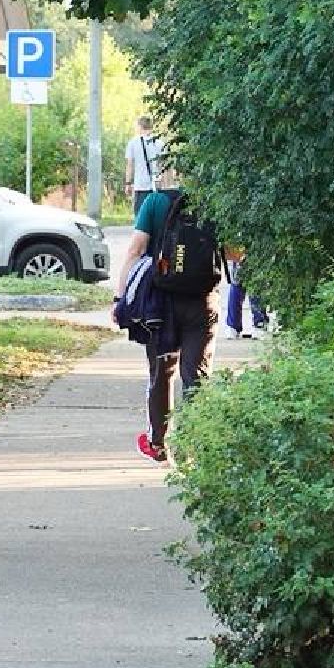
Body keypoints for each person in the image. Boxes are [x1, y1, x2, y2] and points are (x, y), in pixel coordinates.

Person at [110, 161, 222, 463]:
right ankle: (195, 446)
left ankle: (157, 443)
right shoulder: (214, 203)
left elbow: (135, 249)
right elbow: (235, 253)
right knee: (195, 376)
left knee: (161, 372)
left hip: (160, 303)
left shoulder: (156, 201)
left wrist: (120, 297)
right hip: (201, 301)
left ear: (170, 173)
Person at [123, 118, 163, 214]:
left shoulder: (133, 143)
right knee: (155, 216)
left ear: (140, 127)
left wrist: (128, 183)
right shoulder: (159, 142)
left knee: (140, 216)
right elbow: (163, 165)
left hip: (140, 186)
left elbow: (130, 165)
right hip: (157, 186)